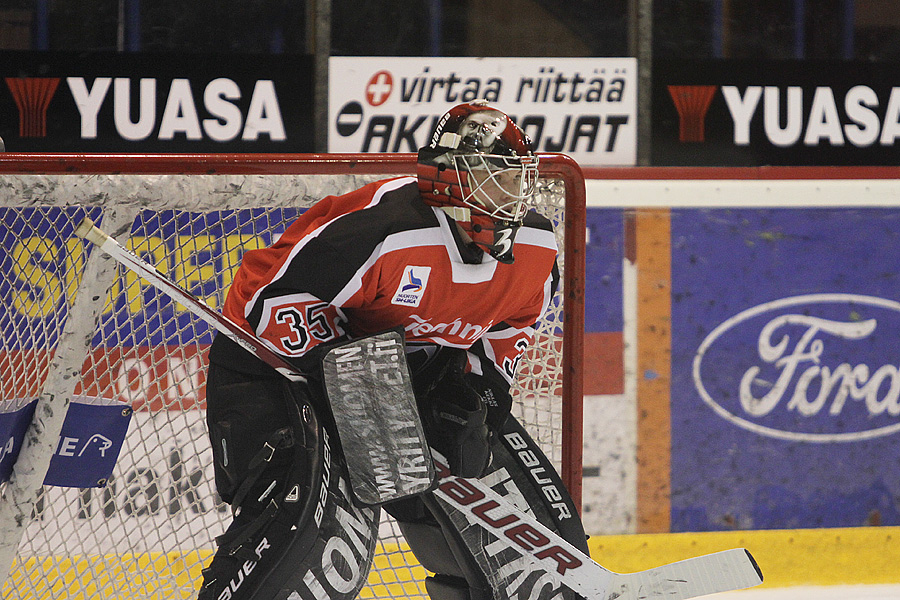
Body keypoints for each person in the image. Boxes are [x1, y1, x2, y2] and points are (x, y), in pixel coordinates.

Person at [198, 100, 589, 600]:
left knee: (541, 560)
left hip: (409, 378)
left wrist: (480, 391)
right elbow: (265, 295)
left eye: (516, 178)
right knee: (301, 553)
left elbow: (513, 323)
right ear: (449, 176)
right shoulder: (381, 228)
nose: (511, 193)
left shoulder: (535, 245)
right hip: (281, 373)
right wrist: (344, 381)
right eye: (494, 176)